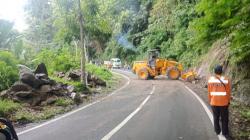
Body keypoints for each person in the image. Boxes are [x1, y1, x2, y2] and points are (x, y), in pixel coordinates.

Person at [208, 65, 231, 139]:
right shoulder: (226, 79)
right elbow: (228, 92)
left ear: (214, 72)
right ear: (222, 71)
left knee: (216, 117)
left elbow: (209, 92)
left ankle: (217, 131)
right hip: (224, 103)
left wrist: (210, 100)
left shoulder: (210, 80)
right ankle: (225, 133)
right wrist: (228, 101)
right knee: (224, 118)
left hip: (214, 102)